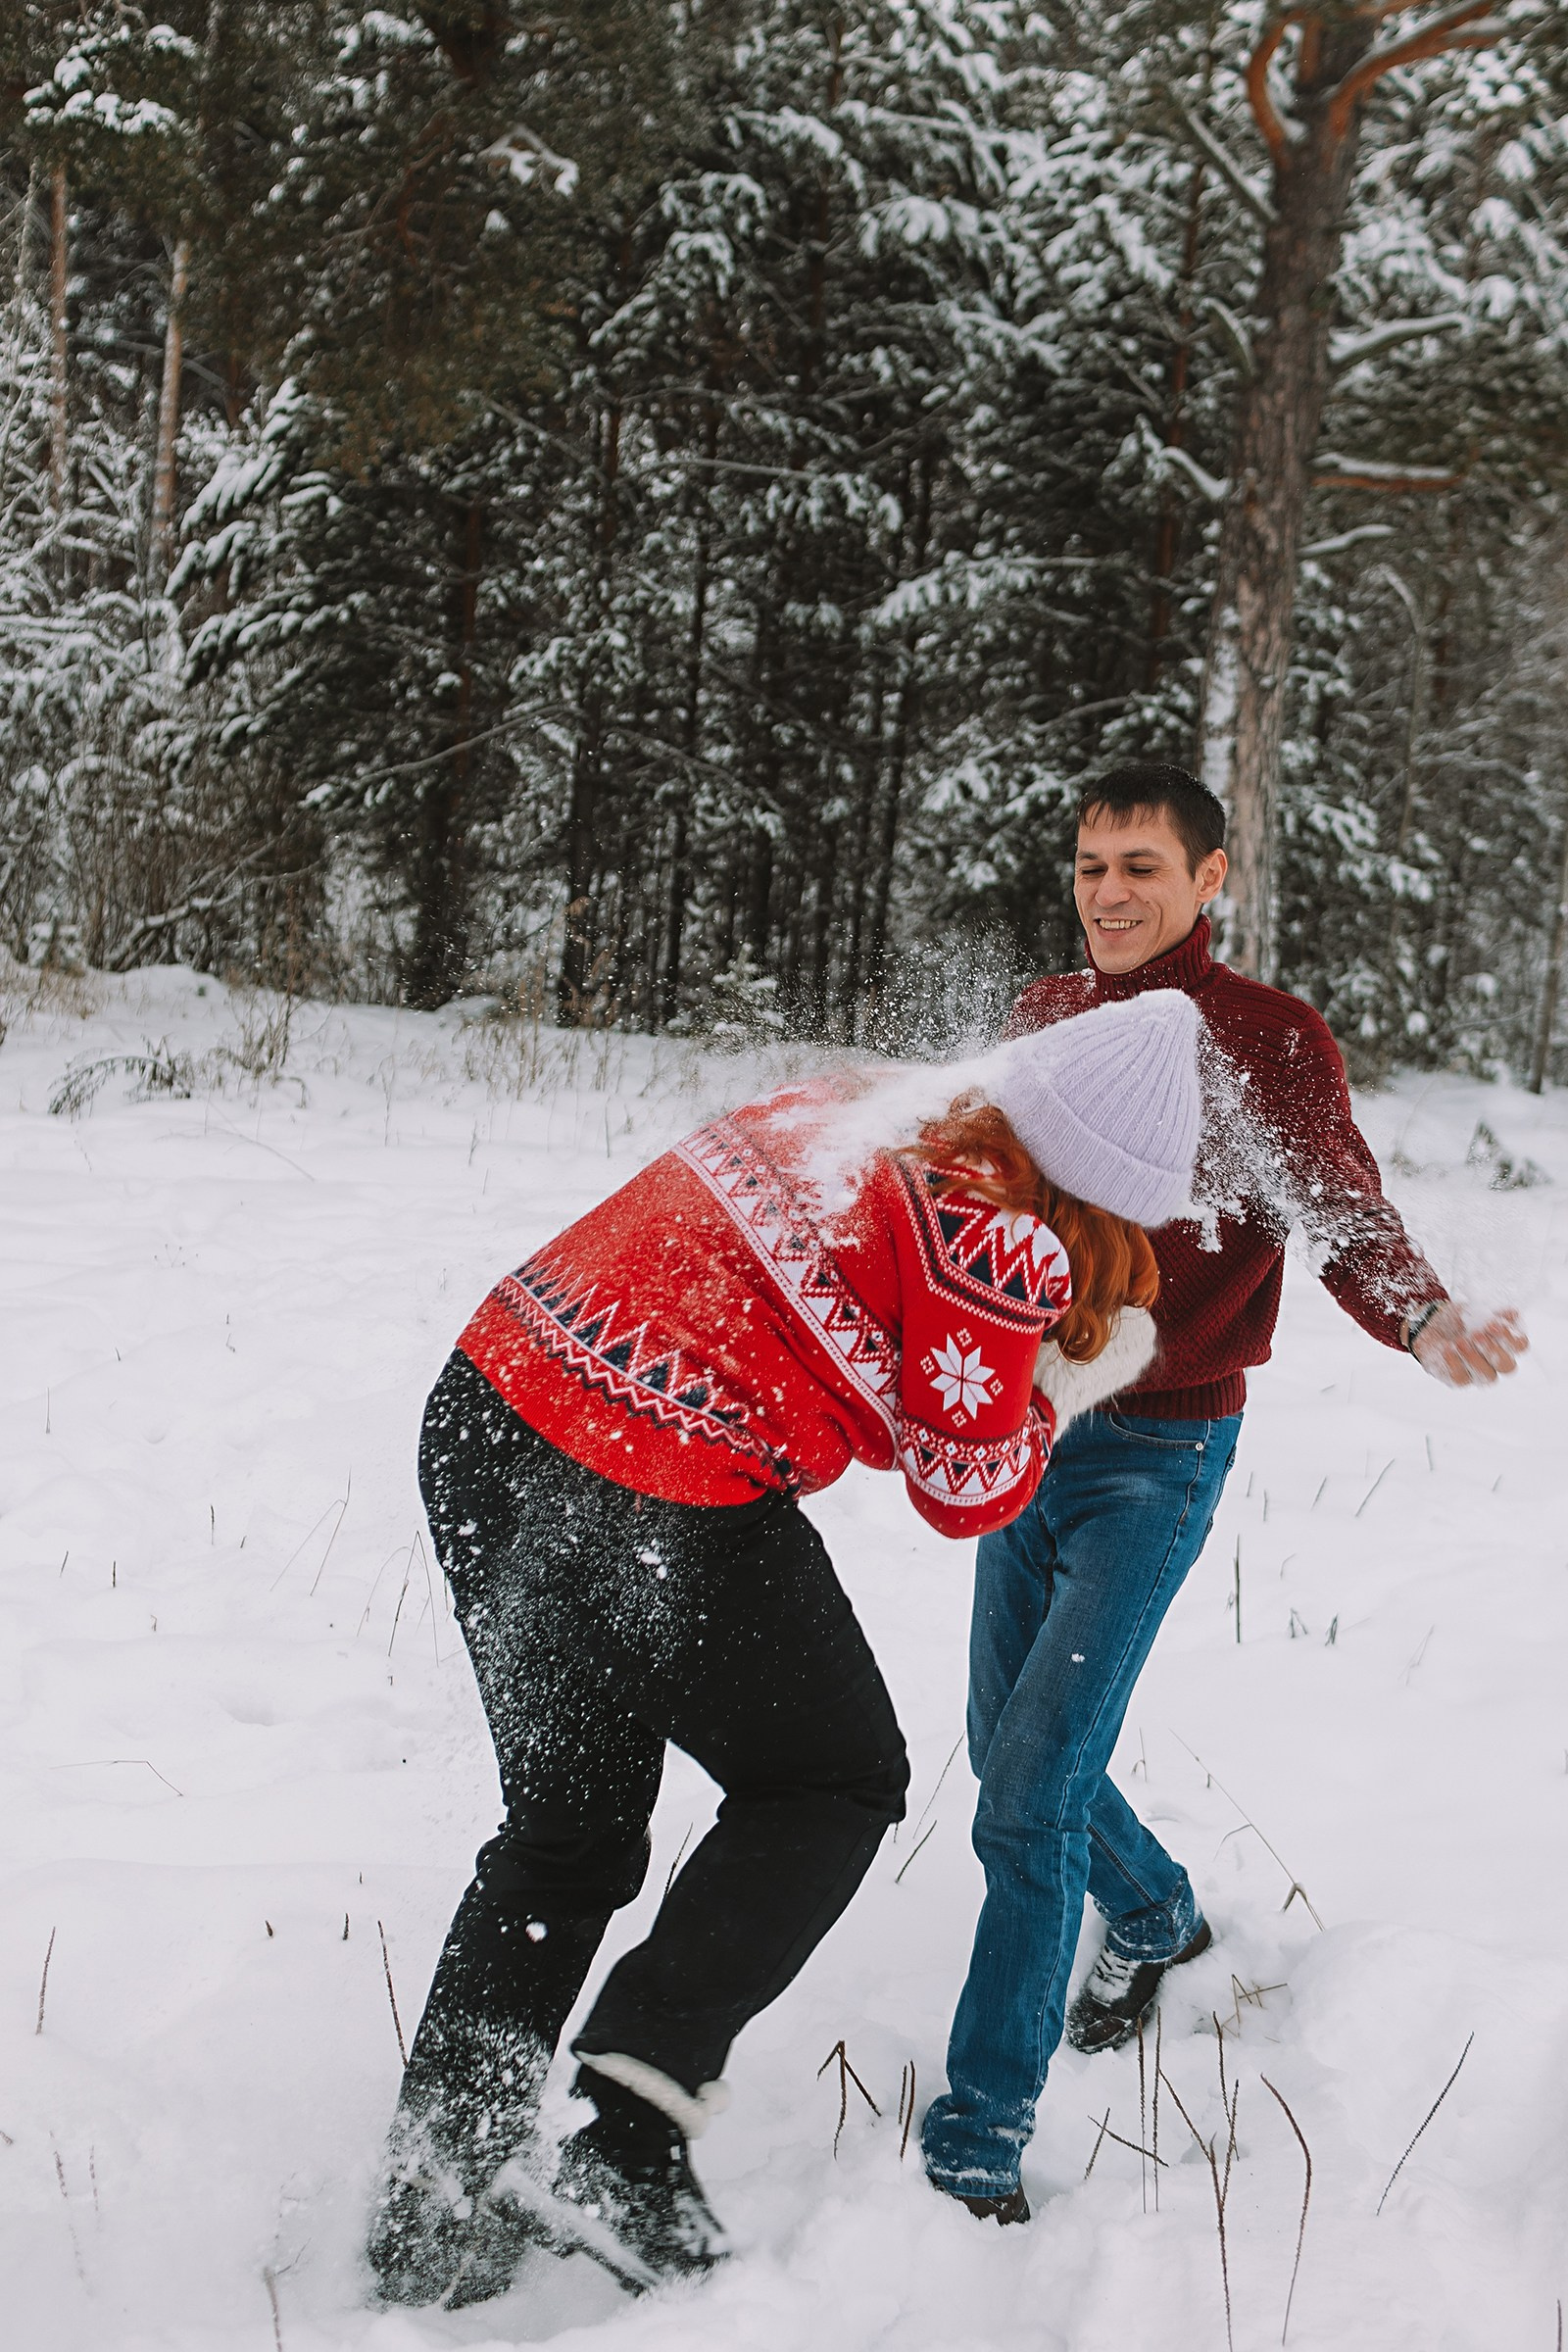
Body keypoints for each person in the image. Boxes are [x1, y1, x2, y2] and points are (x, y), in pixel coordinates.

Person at [367, 989, 1202, 2310]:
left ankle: (435, 2203)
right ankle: (628, 2131)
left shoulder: (859, 1107)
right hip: (645, 1474)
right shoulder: (1003, 1238)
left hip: (489, 1407)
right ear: (1105, 1198)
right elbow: (964, 1488)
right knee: (834, 1781)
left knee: (568, 1830)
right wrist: (1065, 1384)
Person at [920, 760, 1528, 2223]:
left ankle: (978, 2133)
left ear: (1210, 879)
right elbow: (977, 1197)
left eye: (1141, 866)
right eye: (1090, 867)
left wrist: (1423, 1316)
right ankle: (1154, 1912)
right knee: (1001, 1743)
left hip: (1160, 1453)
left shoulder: (1262, 1037)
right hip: (1029, 1432)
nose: (1109, 893)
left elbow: (1340, 1209)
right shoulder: (1046, 1016)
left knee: (1028, 1799)